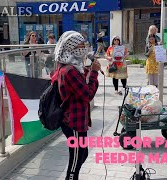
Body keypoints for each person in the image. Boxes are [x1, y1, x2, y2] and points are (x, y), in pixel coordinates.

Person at [52, 31, 100, 180]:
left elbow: (78, 82)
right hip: (73, 122)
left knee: (82, 153)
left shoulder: (70, 66)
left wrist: (88, 69)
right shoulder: (69, 71)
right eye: (80, 44)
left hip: (78, 120)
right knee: (75, 159)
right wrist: (94, 74)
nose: (83, 47)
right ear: (71, 47)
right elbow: (87, 95)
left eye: (84, 44)